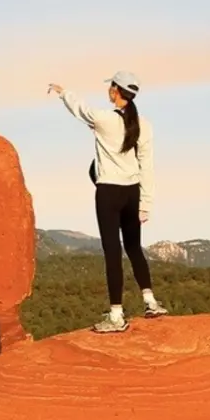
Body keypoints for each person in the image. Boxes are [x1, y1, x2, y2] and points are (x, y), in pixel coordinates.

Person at [47, 70, 163, 334]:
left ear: (115, 91)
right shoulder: (143, 124)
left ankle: (116, 315)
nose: (109, 90)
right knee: (134, 248)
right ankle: (150, 302)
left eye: (111, 86)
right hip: (133, 192)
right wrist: (146, 203)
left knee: (113, 253)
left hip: (109, 192)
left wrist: (62, 91)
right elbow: (147, 166)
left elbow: (80, 108)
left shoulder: (103, 119)